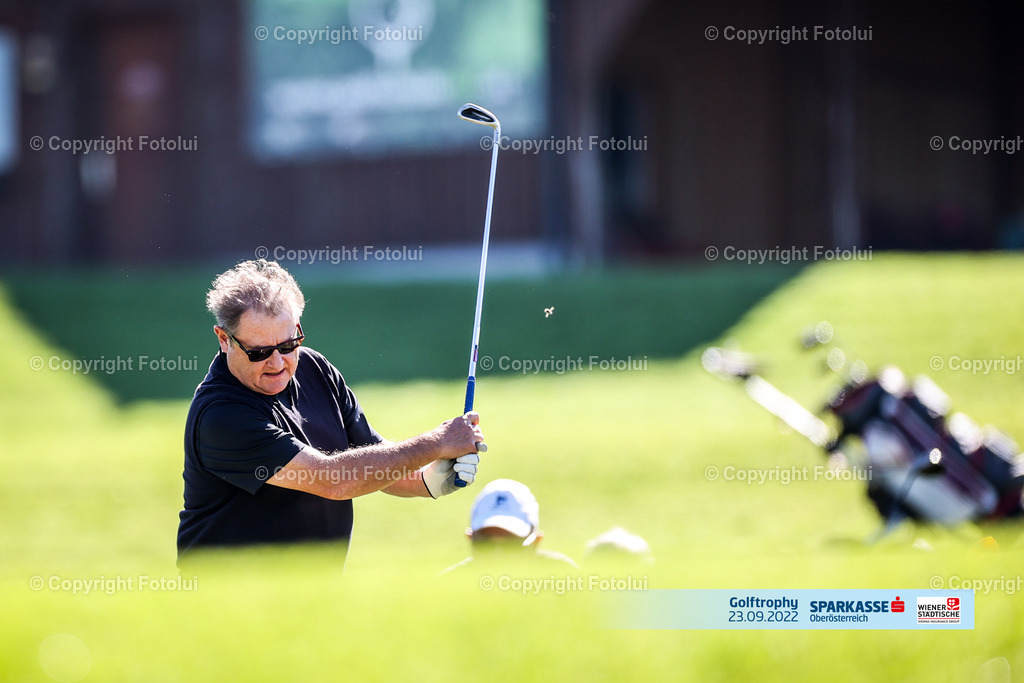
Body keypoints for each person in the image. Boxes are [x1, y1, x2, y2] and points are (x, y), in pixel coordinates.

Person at [177, 259, 484, 564]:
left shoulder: (314, 369)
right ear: (223, 339)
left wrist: (430, 477)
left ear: (298, 328)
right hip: (230, 600)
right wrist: (436, 443)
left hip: (312, 597)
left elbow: (374, 460)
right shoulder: (221, 416)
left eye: (287, 345)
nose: (276, 363)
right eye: (258, 353)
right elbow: (334, 479)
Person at [442, 479, 576, 572]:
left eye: (511, 546)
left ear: (536, 541)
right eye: (485, 545)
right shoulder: (445, 589)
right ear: (470, 539)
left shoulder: (566, 577)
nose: (497, 556)